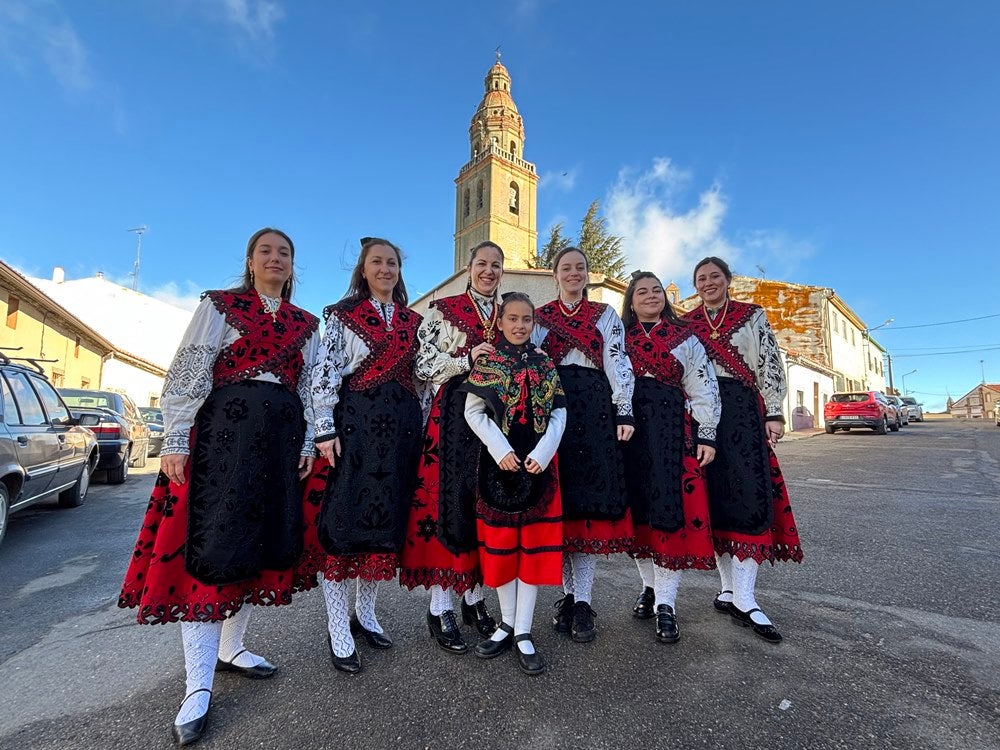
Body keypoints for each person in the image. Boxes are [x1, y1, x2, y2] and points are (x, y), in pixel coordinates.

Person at [118, 228, 319, 746]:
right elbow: (189, 370)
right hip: (222, 445)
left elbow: (312, 388)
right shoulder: (220, 306)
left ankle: (232, 648)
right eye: (266, 251)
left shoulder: (305, 324)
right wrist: (177, 439)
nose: (276, 259)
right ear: (250, 261)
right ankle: (197, 686)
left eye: (285, 253)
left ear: (293, 266)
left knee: (254, 547)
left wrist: (306, 442)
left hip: (278, 446)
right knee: (215, 549)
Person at [305, 237, 426, 674]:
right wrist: (324, 429)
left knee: (382, 524)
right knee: (344, 525)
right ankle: (338, 625)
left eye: (392, 262)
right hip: (355, 428)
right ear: (363, 268)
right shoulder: (341, 317)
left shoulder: (414, 321)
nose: (385, 269)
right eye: (377, 262)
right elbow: (324, 373)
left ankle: (366, 613)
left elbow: (423, 380)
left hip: (401, 433)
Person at [682, 256, 804, 643]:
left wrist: (773, 412)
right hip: (701, 415)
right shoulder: (687, 323)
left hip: (743, 413)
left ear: (728, 280)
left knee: (748, 498)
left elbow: (770, 364)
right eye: (701, 279)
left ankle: (747, 596)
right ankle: (728, 589)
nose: (708, 283)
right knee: (714, 498)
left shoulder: (752, 316)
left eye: (714, 276)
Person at [399, 242, 505, 654]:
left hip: (498, 421)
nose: (489, 271)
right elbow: (422, 365)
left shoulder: (508, 311)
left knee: (484, 506)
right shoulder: (443, 309)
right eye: (482, 264)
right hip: (454, 415)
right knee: (449, 505)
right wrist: (466, 358)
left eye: (496, 266)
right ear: (468, 267)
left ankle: (474, 600)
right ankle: (440, 605)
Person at [460, 292, 566, 675]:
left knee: (533, 548)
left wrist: (545, 451)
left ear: (534, 323)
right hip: (498, 464)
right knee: (503, 546)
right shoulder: (489, 362)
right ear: (500, 322)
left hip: (539, 465)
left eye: (526, 319)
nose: (520, 326)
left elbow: (558, 412)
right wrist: (499, 448)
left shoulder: (545, 363)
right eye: (513, 319)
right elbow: (474, 412)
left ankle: (523, 631)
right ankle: (506, 623)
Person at [532, 247, 635, 643]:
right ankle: (567, 596)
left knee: (587, 506)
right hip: (554, 408)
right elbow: (534, 364)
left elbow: (617, 360)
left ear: (588, 275)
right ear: (555, 275)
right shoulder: (540, 317)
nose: (573, 273)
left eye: (580, 268)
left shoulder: (605, 315)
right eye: (565, 268)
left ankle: (583, 601)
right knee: (561, 503)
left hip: (592, 408)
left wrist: (623, 410)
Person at [621, 271, 721, 643]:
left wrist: (706, 434)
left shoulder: (686, 339)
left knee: (667, 513)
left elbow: (703, 387)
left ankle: (667, 604)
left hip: (670, 432)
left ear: (665, 297)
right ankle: (648, 587)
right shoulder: (620, 340)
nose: (650, 296)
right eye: (642, 291)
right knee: (638, 513)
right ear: (631, 301)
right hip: (628, 433)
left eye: (656, 290)